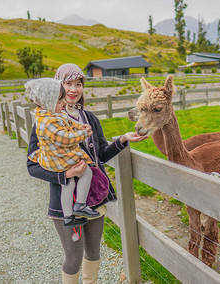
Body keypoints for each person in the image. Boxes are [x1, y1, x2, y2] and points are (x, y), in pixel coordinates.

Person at [27, 63, 148, 284]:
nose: (73, 89)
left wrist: (122, 140)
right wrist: (65, 175)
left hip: (93, 197)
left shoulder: (89, 118)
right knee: (73, 257)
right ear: (58, 87)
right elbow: (32, 166)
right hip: (64, 199)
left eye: (78, 84)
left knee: (93, 252)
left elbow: (101, 153)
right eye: (68, 83)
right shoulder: (44, 121)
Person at [25, 78, 101, 229]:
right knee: (86, 173)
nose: (64, 104)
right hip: (58, 159)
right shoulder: (48, 122)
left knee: (69, 183)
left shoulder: (51, 114)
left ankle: (68, 217)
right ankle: (80, 205)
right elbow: (65, 139)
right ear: (50, 102)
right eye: (60, 102)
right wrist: (83, 135)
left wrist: (81, 126)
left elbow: (68, 122)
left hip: (57, 157)